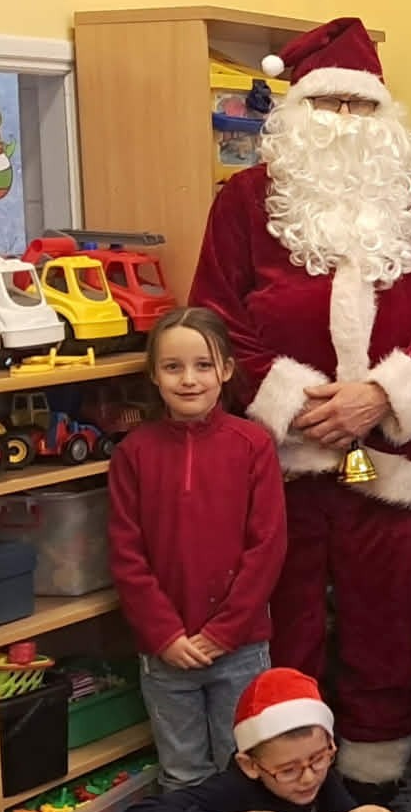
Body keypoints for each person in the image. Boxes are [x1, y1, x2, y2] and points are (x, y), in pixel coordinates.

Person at [190, 15, 411, 790]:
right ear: (297, 110)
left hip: (383, 453)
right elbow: (216, 316)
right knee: (286, 616)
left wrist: (379, 394)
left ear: (382, 116)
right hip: (280, 458)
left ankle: (376, 765)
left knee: (381, 611)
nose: (345, 120)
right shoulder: (245, 202)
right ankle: (289, 763)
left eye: (360, 106)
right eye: (329, 104)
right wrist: (291, 400)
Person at [107, 306, 288, 786]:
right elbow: (126, 555)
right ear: (154, 374)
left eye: (203, 365)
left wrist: (225, 631)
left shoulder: (252, 445)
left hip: (240, 646)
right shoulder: (133, 453)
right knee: (182, 771)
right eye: (173, 367)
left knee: (246, 767)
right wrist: (165, 634)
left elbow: (267, 548)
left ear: (225, 370)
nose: (188, 379)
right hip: (166, 651)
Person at [119, 667, 398, 812]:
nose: (308, 778)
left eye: (318, 759)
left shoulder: (319, 775)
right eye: (287, 770)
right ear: (250, 765)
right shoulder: (233, 788)